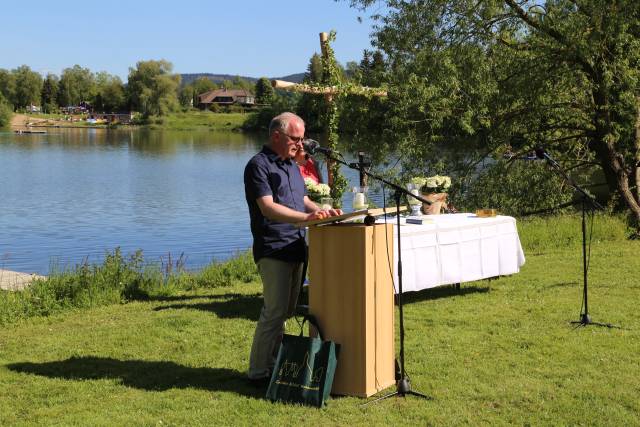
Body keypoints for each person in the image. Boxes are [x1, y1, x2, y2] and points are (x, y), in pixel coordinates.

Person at [243, 112, 342, 386]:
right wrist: (305, 219)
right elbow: (267, 207)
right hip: (273, 247)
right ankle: (257, 373)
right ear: (277, 135)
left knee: (285, 313)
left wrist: (324, 211)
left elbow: (302, 200)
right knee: (273, 312)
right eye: (295, 139)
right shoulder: (258, 166)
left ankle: (273, 364)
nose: (301, 145)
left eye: (302, 139)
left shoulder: (291, 165)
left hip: (296, 246)